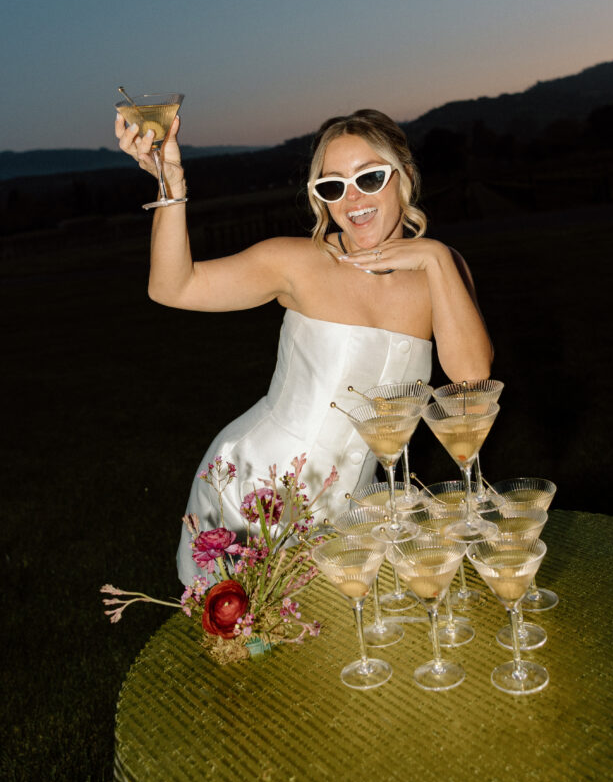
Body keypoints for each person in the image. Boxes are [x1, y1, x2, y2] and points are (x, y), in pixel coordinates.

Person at [115, 108, 493, 585]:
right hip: (254, 493)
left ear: (405, 177)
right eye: (332, 186)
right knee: (253, 650)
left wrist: (436, 259)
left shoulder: (443, 268)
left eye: (369, 177)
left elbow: (471, 382)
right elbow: (173, 287)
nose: (352, 198)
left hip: (361, 508)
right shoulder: (297, 262)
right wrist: (170, 182)